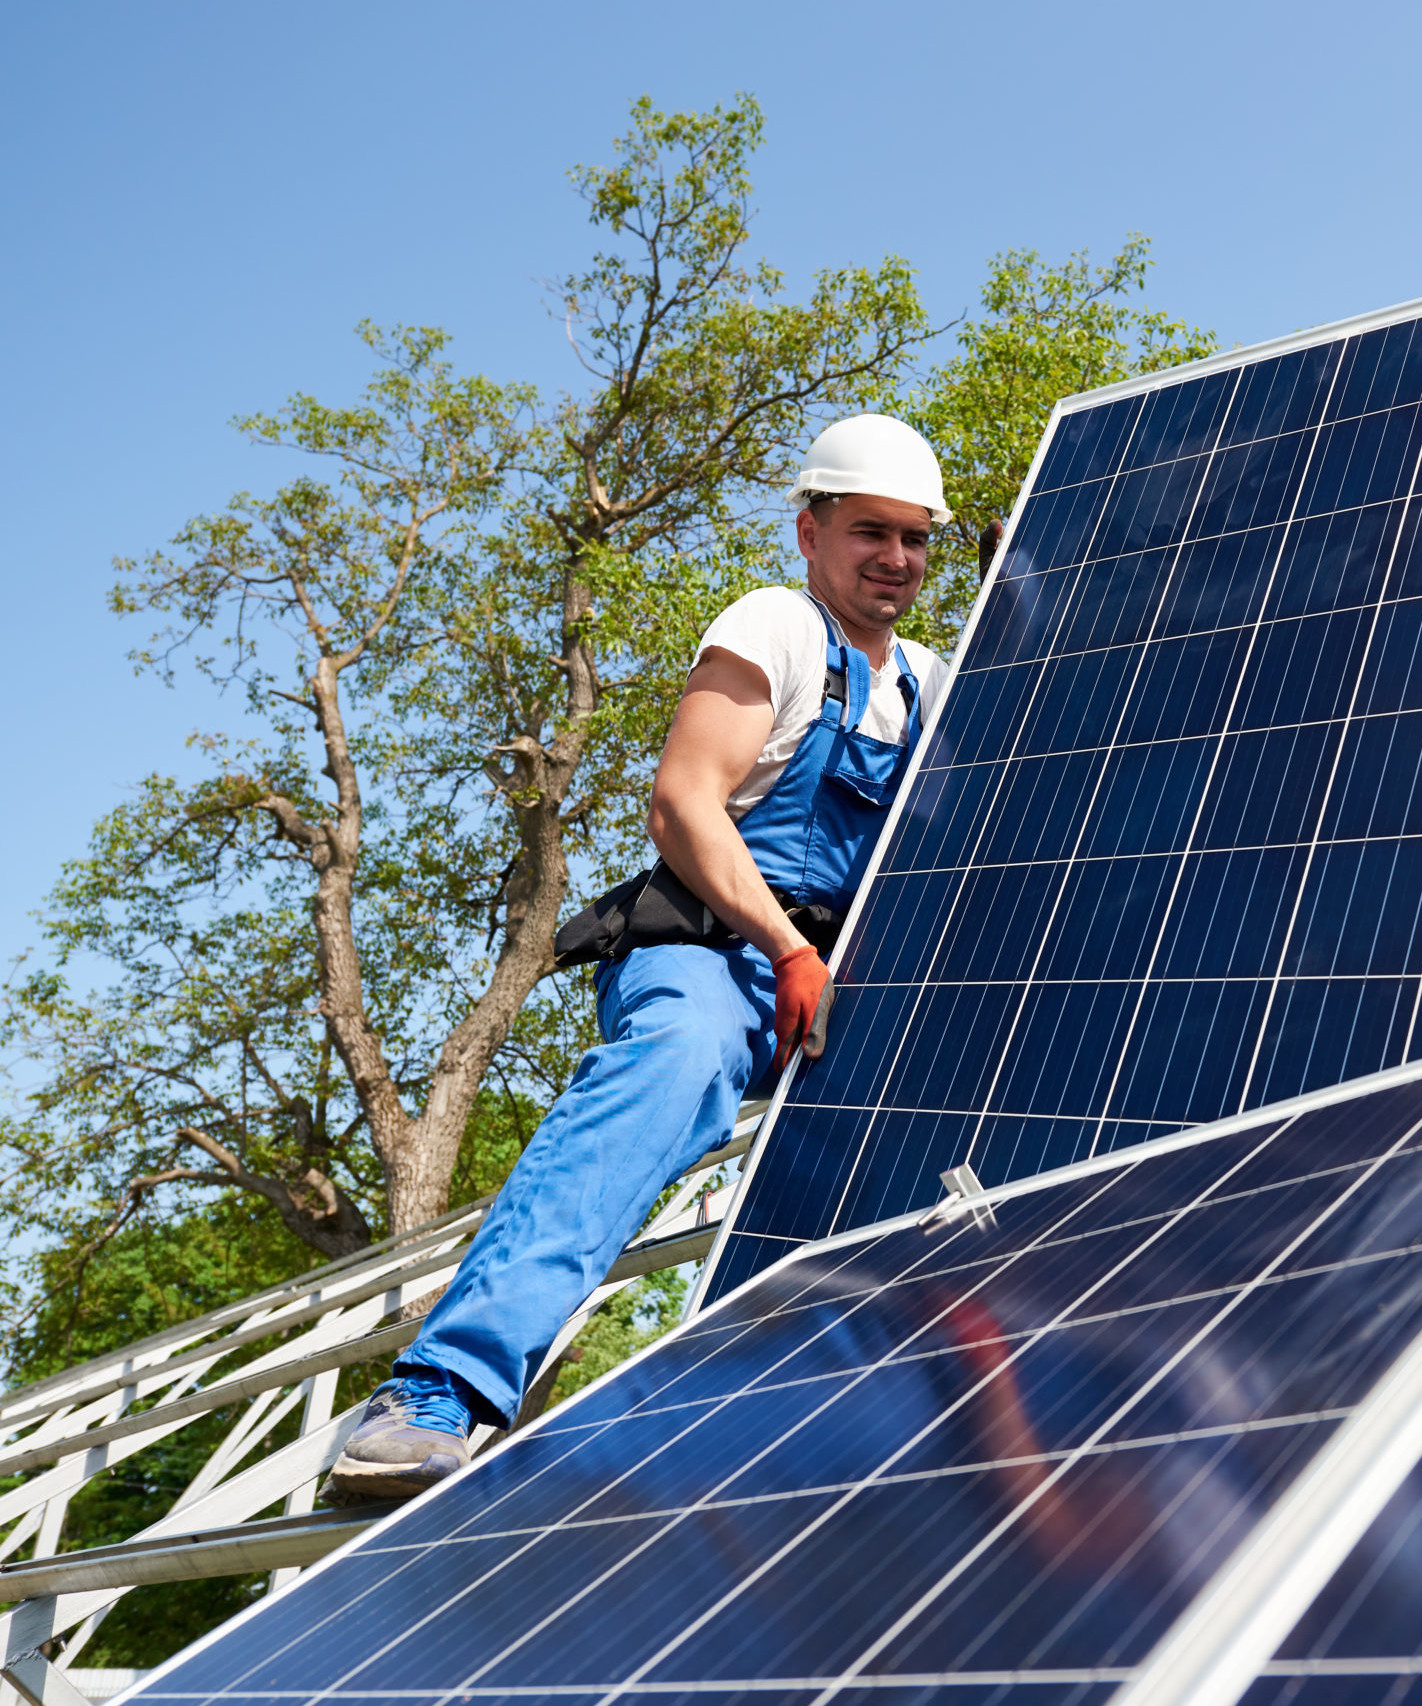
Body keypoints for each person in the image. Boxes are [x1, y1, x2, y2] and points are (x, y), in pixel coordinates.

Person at [328, 414, 957, 1500]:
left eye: (915, 538)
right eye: (869, 531)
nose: (894, 559)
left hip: (840, 977)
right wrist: (786, 943)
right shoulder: (777, 629)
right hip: (716, 954)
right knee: (676, 1059)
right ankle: (438, 1390)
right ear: (810, 532)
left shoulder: (929, 685)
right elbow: (681, 803)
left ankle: (856, 1420)